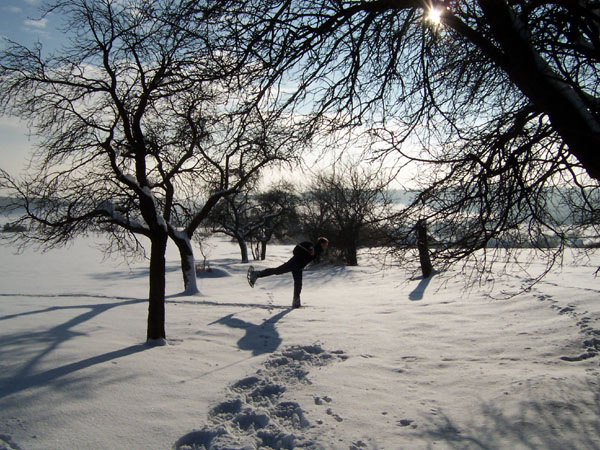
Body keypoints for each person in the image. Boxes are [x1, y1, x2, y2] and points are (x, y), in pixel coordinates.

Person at [247, 237, 329, 308]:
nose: (326, 246)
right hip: (293, 263)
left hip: (299, 267)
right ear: (321, 243)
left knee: (298, 283)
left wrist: (312, 251)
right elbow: (299, 249)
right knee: (277, 271)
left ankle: (296, 301)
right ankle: (256, 274)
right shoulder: (310, 244)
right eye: (325, 244)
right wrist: (311, 249)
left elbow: (314, 252)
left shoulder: (318, 251)